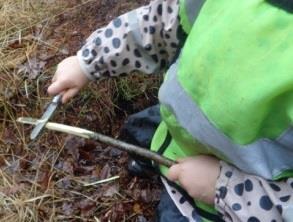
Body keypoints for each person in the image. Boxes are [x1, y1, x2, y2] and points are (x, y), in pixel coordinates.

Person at [47, 0, 293, 221]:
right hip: (175, 129)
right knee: (135, 129)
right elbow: (162, 23)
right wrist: (88, 61)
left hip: (229, 199)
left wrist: (225, 188)